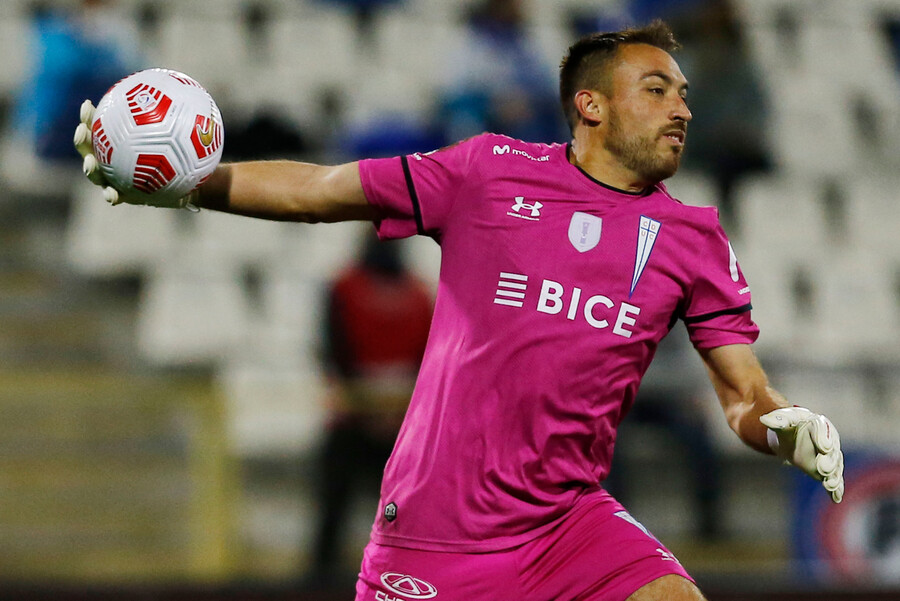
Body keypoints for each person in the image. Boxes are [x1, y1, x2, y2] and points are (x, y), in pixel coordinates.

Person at [75, 21, 845, 601]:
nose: (681, 106)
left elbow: (744, 395)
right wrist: (191, 184)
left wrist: (782, 425)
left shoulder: (695, 239)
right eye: (657, 89)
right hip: (436, 529)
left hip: (569, 524)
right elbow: (319, 192)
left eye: (683, 91)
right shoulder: (485, 173)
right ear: (591, 105)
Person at [310, 233, 432, 587]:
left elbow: (426, 359)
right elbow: (332, 349)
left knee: (406, 519)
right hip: (354, 418)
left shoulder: (419, 294)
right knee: (335, 508)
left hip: (400, 427)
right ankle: (319, 582)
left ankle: (407, 584)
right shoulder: (345, 288)